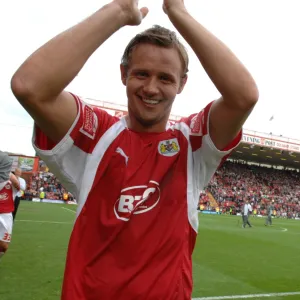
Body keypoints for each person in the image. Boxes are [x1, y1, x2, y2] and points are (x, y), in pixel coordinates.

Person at [11, 0, 258, 298]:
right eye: (141, 74)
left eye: (166, 78)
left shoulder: (192, 144)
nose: (152, 88)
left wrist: (178, 13)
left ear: (182, 84)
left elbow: (244, 96)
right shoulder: (97, 136)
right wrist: (119, 11)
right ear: (123, 74)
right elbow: (29, 86)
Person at [0, 152, 20, 262]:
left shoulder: (11, 182)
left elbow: (18, 186)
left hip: (5, 214)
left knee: (4, 247)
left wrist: (11, 176)